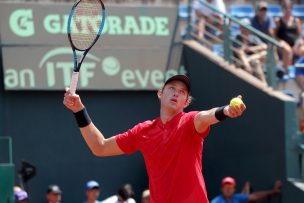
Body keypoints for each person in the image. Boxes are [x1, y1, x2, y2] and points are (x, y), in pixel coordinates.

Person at [63, 74, 246, 203]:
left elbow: (207, 116)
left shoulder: (191, 121)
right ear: (160, 93)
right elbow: (100, 147)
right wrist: (79, 110)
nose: (176, 93)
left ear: (186, 102)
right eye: (172, 88)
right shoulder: (143, 131)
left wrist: (227, 111)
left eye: (182, 92)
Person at [232, 18, 268, 84]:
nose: (246, 29)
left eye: (247, 27)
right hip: (241, 63)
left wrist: (251, 49)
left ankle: (264, 86)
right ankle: (264, 86)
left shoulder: (253, 37)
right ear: (240, 28)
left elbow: (264, 46)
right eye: (243, 27)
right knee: (256, 62)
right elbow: (239, 53)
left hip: (250, 61)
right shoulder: (237, 38)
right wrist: (246, 63)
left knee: (264, 54)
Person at [274, 0, 302, 72]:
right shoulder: (278, 21)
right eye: (286, 8)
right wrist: (281, 42)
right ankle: (288, 72)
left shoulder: (296, 20)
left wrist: (299, 43)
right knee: (287, 50)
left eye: (290, 8)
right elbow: (274, 35)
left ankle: (300, 71)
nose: (288, 10)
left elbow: (300, 35)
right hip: (282, 44)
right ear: (283, 9)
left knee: (302, 50)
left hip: (294, 44)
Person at [211, 176, 282, 203]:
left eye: (230, 187)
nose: (228, 190)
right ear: (222, 189)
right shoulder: (216, 201)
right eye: (226, 188)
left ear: (234, 189)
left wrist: (273, 191)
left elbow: (255, 196)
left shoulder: (237, 197)